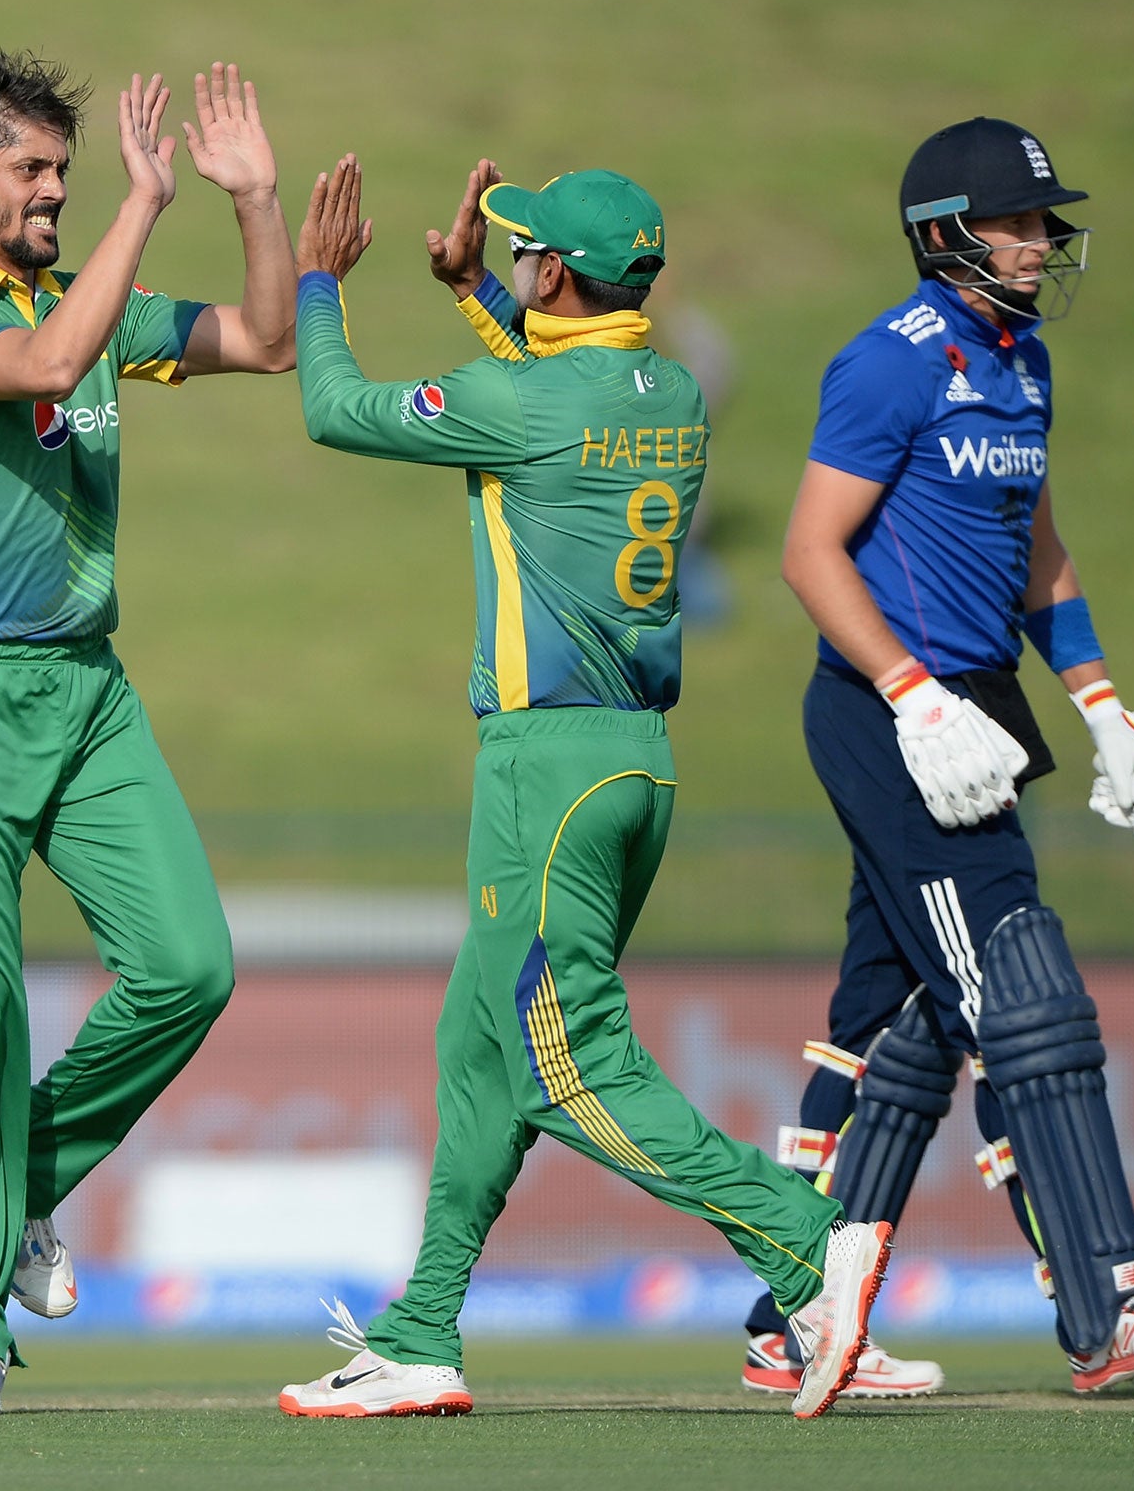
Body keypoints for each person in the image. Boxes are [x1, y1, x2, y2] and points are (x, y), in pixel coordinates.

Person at [274, 157, 890, 1422]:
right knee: (482, 1055)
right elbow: (558, 395)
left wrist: (320, 284)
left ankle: (803, 1241)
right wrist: (472, 303)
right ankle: (420, 1333)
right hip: (633, 765)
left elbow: (335, 409)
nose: (505, 263)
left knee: (563, 1064)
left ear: (555, 275)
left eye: (519, 255)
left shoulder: (526, 397)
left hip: (543, 768)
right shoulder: (666, 390)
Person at [738, 116, 1134, 1397]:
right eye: (1017, 223)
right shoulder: (890, 363)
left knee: (894, 1019)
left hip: (983, 709)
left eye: (1043, 224)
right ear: (945, 234)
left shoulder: (1023, 365)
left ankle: (788, 1311)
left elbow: (1037, 550)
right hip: (890, 716)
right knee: (1020, 1005)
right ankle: (1106, 1305)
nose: (1039, 244)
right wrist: (907, 694)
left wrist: (1102, 706)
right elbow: (808, 552)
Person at [0, 52, 296, 1416]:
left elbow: (268, 342)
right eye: (33, 171)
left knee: (189, 965)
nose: (60, 189)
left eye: (69, 170)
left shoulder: (89, 297)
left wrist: (255, 201)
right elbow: (46, 362)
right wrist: (144, 209)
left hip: (87, 695)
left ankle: (25, 1186)